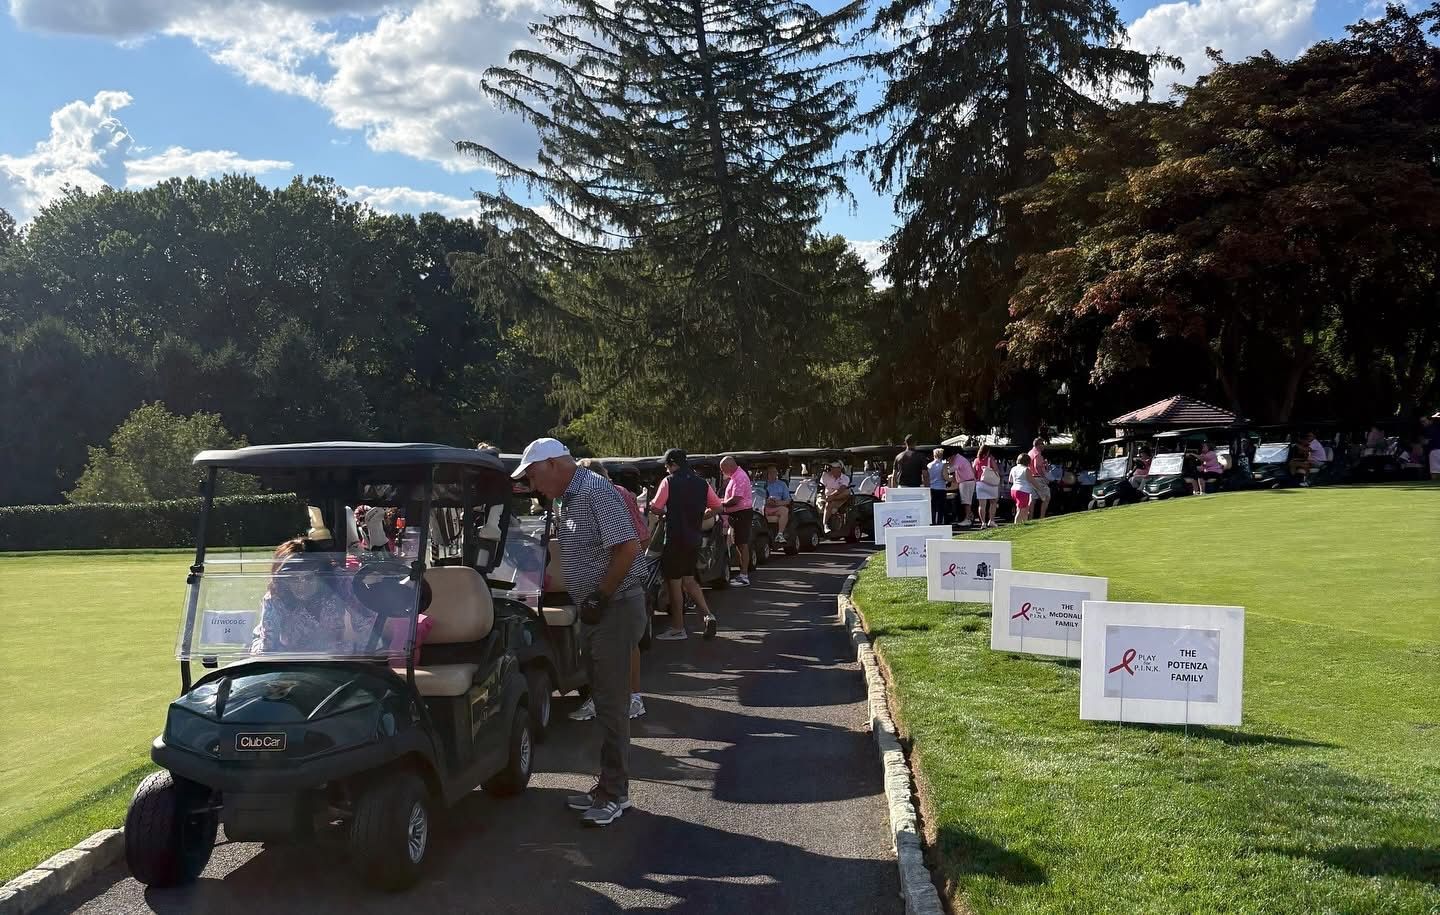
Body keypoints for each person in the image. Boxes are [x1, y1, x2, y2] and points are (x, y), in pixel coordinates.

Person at [513, 437, 645, 827]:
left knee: (611, 703)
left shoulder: (594, 491)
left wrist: (600, 595)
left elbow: (628, 548)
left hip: (614, 607)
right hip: (600, 608)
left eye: (534, 475)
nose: (534, 485)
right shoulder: (571, 497)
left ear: (554, 464)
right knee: (603, 698)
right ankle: (608, 786)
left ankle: (615, 793)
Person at [577, 460, 651, 720]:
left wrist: (620, 566)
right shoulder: (577, 499)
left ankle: (634, 697)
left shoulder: (617, 494)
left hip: (620, 579)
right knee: (595, 642)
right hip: (592, 581)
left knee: (627, 641)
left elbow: (640, 537)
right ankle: (599, 697)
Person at [649, 449, 722, 641]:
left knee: (674, 584)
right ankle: (708, 615)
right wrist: (701, 516)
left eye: (667, 465)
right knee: (689, 580)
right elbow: (717, 507)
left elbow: (655, 507)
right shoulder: (702, 483)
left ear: (673, 464)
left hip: (675, 538)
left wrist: (664, 513)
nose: (666, 469)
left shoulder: (669, 481)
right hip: (693, 538)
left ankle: (678, 628)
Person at [252, 538, 360, 654]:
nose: (302, 585)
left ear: (321, 575)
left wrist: (363, 654)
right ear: (284, 580)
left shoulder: (339, 582)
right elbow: (267, 649)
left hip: (332, 657)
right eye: (293, 578)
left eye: (308, 577)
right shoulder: (276, 597)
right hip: (291, 658)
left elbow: (366, 625)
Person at [719, 457, 753, 587]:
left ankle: (744, 576)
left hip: (742, 513)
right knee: (738, 544)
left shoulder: (740, 477)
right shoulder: (734, 477)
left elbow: (735, 499)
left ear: (729, 466)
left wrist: (720, 504)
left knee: (742, 544)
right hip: (736, 514)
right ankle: (741, 574)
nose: (722, 471)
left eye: (723, 469)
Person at [973, 444, 1001, 528]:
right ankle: (991, 520)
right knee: (993, 502)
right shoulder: (990, 459)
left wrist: (976, 481)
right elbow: (996, 469)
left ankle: (983, 523)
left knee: (982, 505)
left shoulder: (976, 460)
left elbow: (973, 472)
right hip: (990, 483)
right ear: (988, 451)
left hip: (980, 484)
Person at [763, 465, 792, 544]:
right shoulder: (762, 484)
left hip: (778, 506)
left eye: (775, 472)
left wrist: (778, 503)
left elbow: (788, 500)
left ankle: (780, 534)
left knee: (784, 510)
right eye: (771, 472)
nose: (773, 474)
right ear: (767, 474)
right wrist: (766, 501)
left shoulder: (782, 484)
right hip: (764, 507)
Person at [820, 460, 851, 533]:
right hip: (827, 496)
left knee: (847, 492)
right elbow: (820, 486)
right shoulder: (825, 475)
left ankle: (825, 524)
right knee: (828, 504)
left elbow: (841, 489)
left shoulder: (845, 478)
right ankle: (825, 525)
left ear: (839, 469)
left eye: (834, 468)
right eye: (832, 468)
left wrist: (832, 496)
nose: (832, 470)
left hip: (839, 497)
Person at [1009, 453, 1038, 523]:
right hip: (1023, 491)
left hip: (1014, 490)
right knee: (1021, 510)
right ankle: (1016, 524)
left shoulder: (1013, 468)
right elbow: (1032, 481)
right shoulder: (1026, 469)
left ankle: (1024, 522)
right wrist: (1040, 488)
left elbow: (1010, 480)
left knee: (1023, 508)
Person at [950, 448, 976, 527]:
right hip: (968, 481)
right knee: (968, 501)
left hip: (965, 482)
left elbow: (953, 469)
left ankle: (967, 519)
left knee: (966, 502)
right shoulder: (961, 458)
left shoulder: (958, 459)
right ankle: (970, 516)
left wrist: (945, 470)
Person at [1027, 438, 1051, 519]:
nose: (1043, 445)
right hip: (1038, 478)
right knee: (1047, 497)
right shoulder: (1037, 453)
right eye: (1042, 443)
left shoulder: (1030, 453)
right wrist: (1044, 477)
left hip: (1030, 478)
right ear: (1039, 445)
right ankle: (1042, 518)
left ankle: (1030, 518)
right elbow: (1037, 466)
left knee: (1032, 499)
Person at [926, 448, 949, 525]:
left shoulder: (929, 465)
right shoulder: (943, 465)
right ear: (941, 455)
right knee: (941, 507)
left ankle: (932, 521)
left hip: (932, 487)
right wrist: (951, 479)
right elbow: (945, 477)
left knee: (933, 506)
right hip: (941, 487)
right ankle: (939, 522)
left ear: (934, 455)